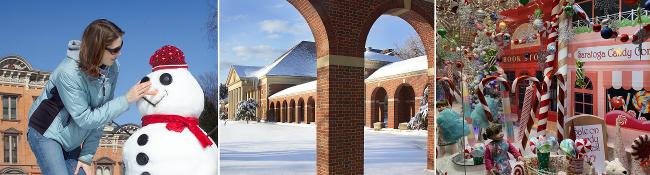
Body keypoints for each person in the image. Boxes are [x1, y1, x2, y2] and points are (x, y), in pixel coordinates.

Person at [26, 19, 157, 175]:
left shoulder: (113, 68)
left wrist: (86, 158)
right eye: (114, 50)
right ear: (97, 49)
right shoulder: (68, 73)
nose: (119, 53)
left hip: (71, 139)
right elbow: (85, 118)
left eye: (120, 47)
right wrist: (126, 99)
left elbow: (102, 116)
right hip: (45, 133)